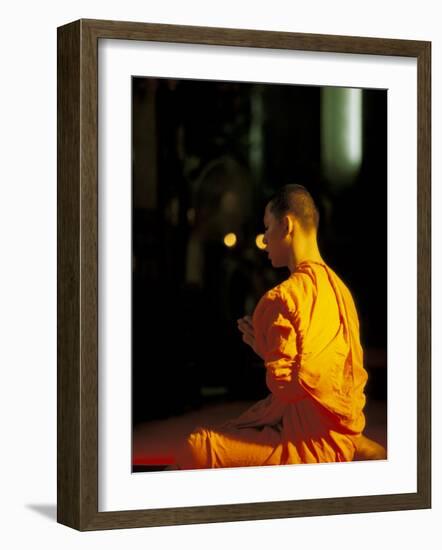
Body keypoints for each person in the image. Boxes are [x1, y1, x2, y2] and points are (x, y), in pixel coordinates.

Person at [175, 184, 385, 469]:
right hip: (340, 431)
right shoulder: (341, 290)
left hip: (308, 443)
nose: (264, 240)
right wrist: (268, 349)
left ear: (286, 225)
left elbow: (287, 388)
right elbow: (321, 378)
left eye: (267, 227)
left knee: (197, 447)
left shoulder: (282, 299)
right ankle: (352, 447)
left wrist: (268, 351)